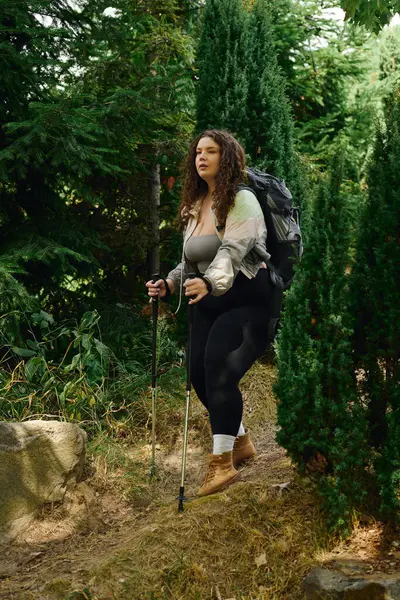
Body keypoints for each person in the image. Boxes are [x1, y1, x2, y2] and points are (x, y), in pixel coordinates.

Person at [146, 129, 272, 497]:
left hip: (247, 297)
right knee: (198, 374)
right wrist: (168, 285)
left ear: (227, 157)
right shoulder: (195, 204)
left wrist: (209, 283)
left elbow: (232, 252)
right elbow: (189, 261)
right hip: (211, 298)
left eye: (211, 151)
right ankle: (240, 440)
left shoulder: (242, 200)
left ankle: (221, 464)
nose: (201, 157)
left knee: (218, 364)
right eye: (198, 152)